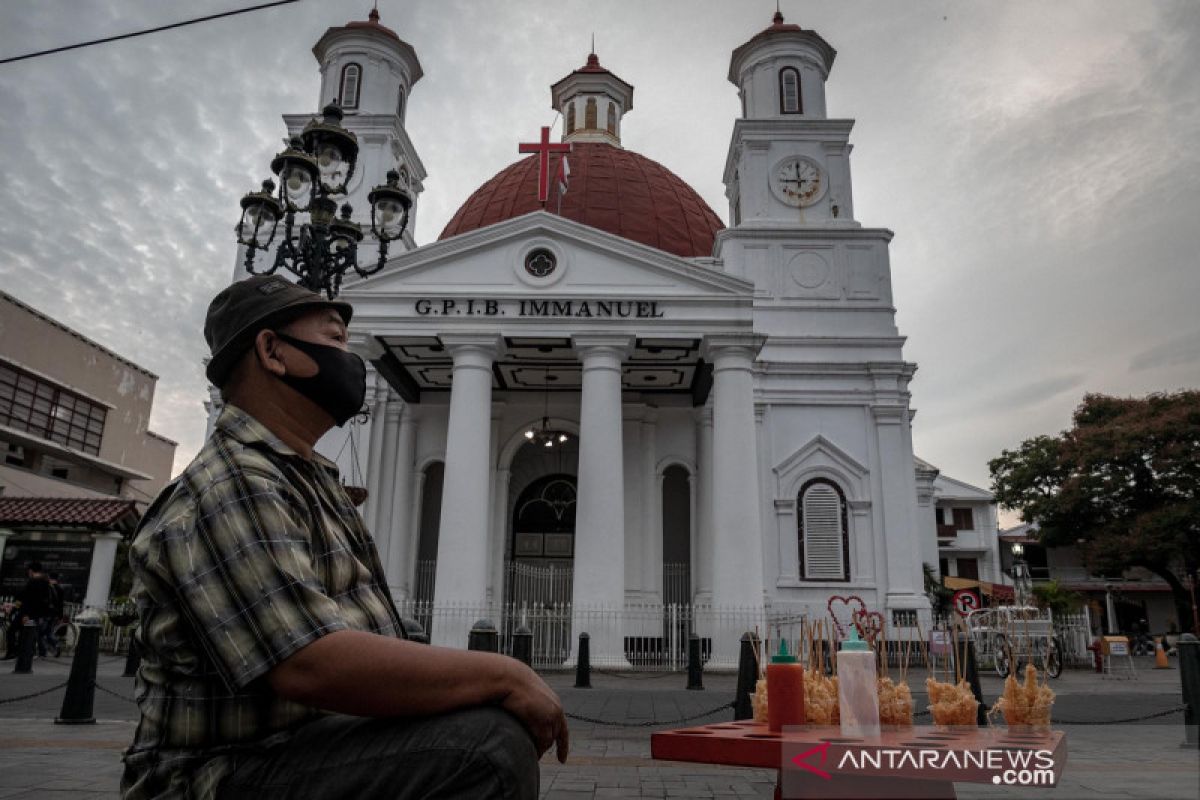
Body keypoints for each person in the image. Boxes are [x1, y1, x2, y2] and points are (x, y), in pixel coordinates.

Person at [122, 276, 566, 800]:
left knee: (474, 716)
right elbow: (309, 663)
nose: (352, 360)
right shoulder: (232, 482)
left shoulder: (306, 477)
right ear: (272, 351)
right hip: (221, 774)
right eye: (334, 342)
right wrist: (505, 674)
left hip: (298, 748)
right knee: (484, 748)